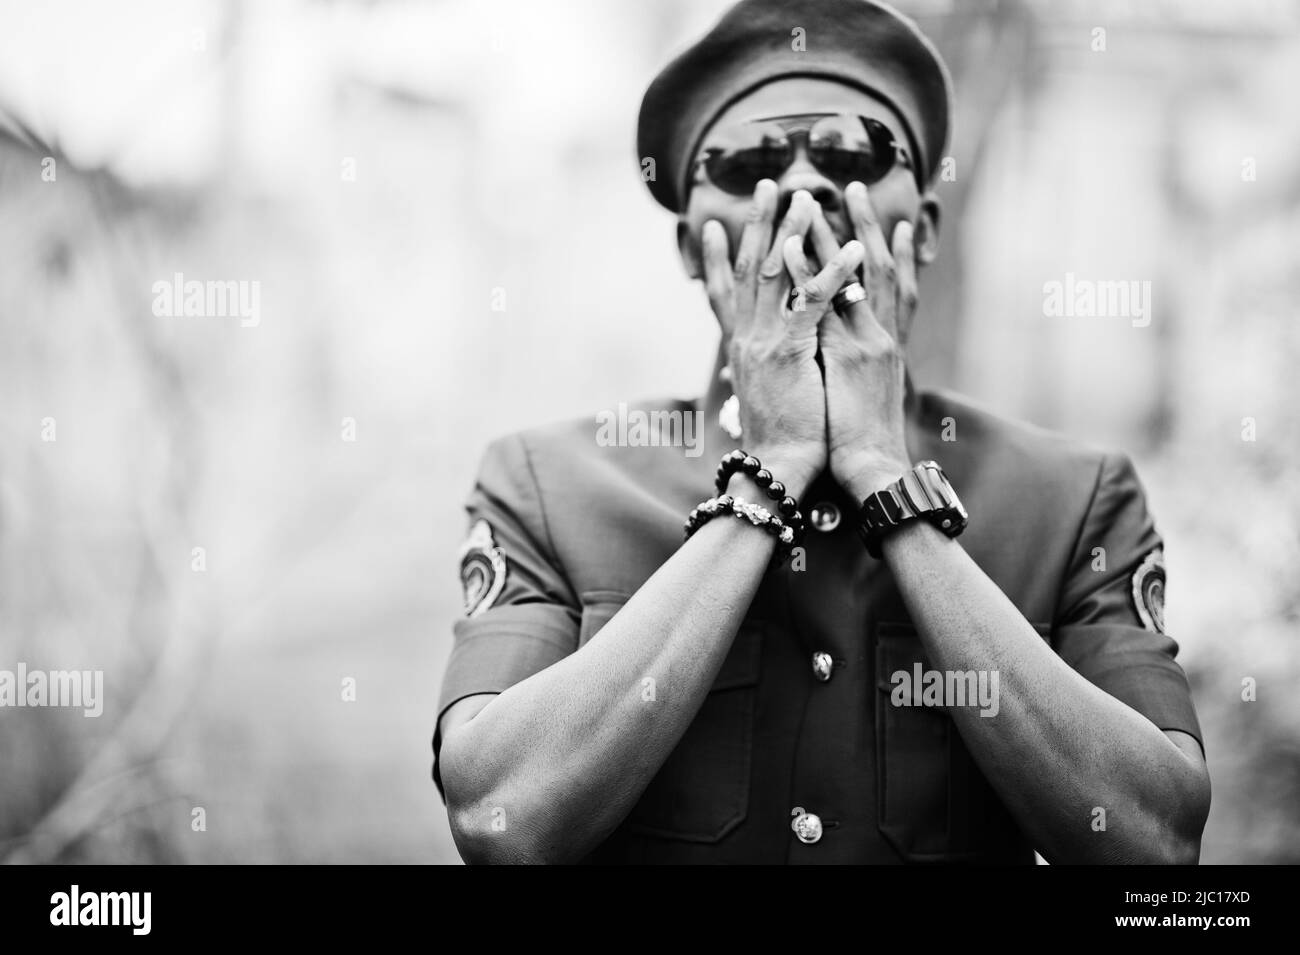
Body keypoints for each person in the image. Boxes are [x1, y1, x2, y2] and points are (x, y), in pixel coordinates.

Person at [432, 0, 1210, 864]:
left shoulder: (1073, 498)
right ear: (691, 249)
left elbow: (1155, 842)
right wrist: (769, 468)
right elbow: (500, 818)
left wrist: (886, 475)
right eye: (748, 162)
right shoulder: (546, 483)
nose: (802, 187)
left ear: (923, 237)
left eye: (852, 152)